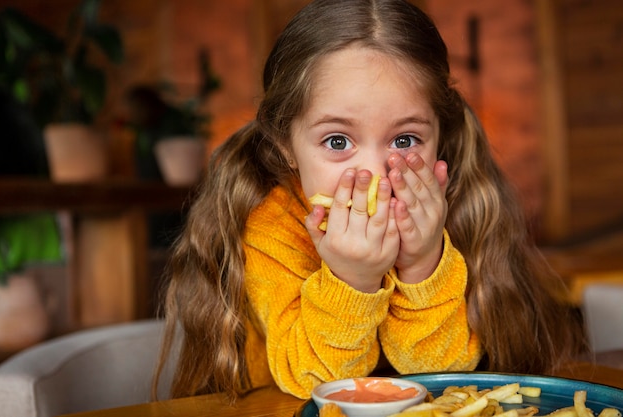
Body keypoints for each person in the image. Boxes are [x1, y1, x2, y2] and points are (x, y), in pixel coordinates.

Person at [152, 0, 583, 401]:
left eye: (405, 139)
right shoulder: (272, 228)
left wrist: (423, 267)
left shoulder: (448, 211)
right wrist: (352, 282)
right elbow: (318, 386)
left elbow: (447, 377)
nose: (376, 173)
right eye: (338, 140)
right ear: (286, 145)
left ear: (440, 140)